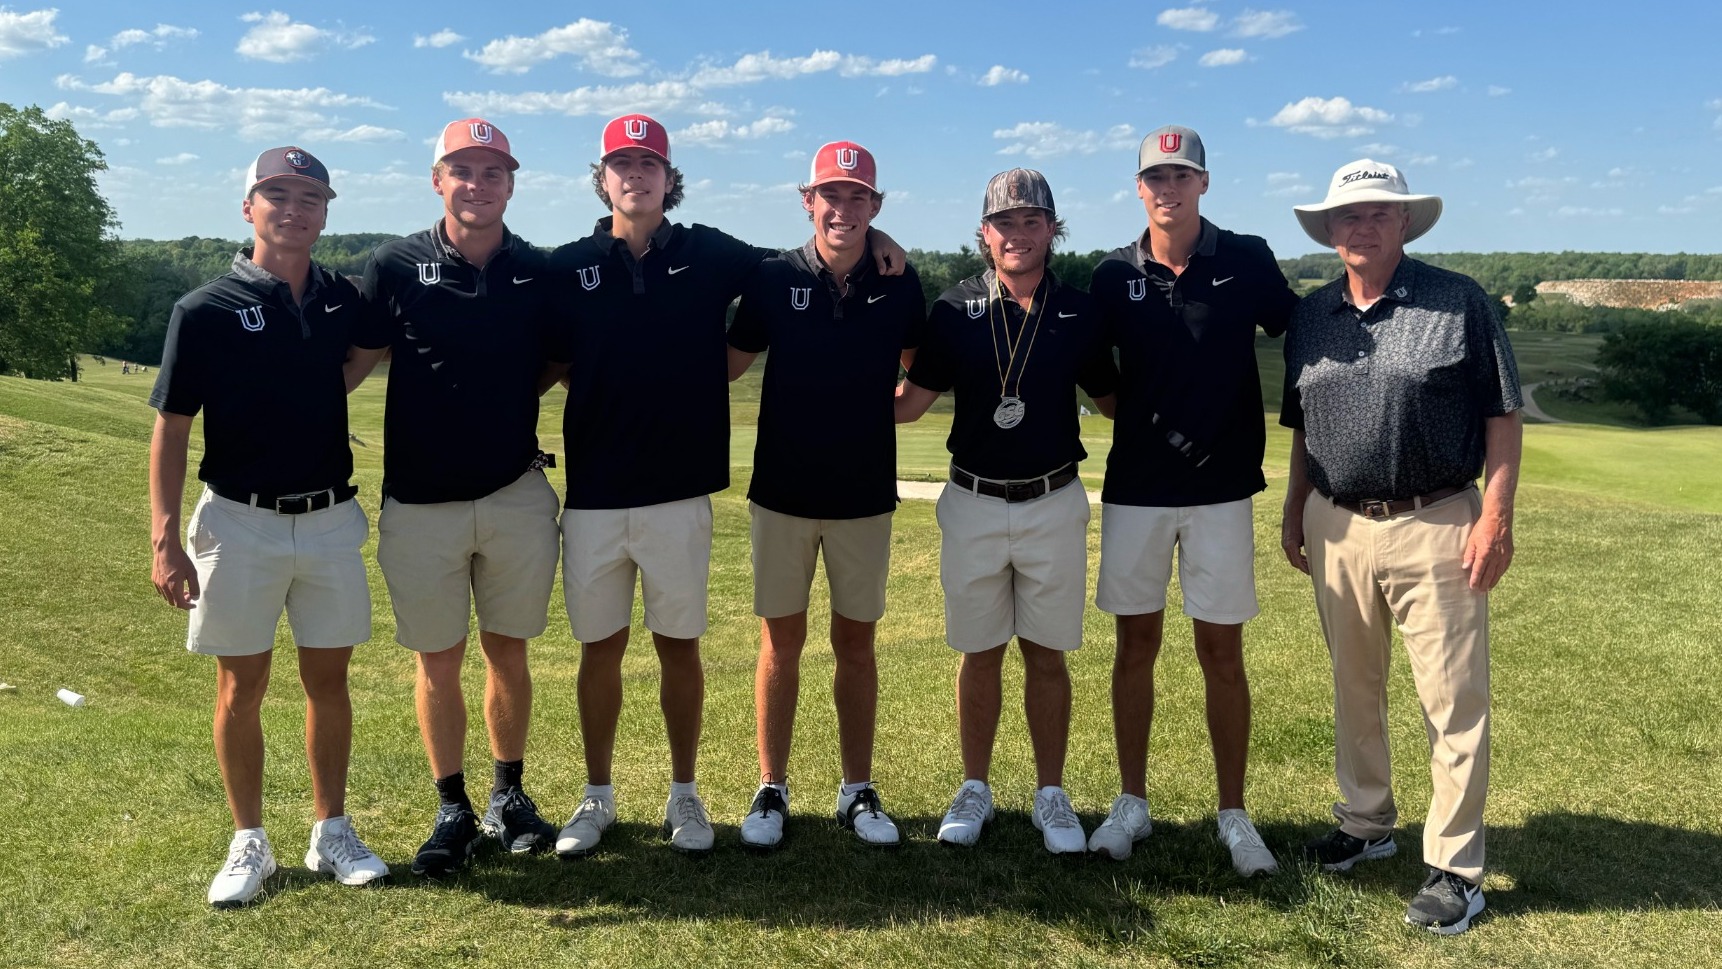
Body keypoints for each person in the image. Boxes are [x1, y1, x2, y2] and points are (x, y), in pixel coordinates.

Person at [545, 115, 905, 856]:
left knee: (685, 648)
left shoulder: (714, 252)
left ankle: (689, 794)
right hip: (596, 491)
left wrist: (880, 245)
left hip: (684, 490)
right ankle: (599, 795)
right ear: (603, 176)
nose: (636, 175)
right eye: (623, 163)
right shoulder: (568, 263)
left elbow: (798, 271)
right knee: (599, 650)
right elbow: (539, 352)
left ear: (668, 179)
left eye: (650, 164)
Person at [1280, 159, 1522, 934]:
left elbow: (1503, 414)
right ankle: (1365, 822)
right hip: (1336, 521)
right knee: (1355, 684)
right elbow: (1301, 424)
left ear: (1405, 223)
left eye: (1380, 213)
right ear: (1330, 230)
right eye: (1348, 216)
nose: (1362, 226)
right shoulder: (1313, 315)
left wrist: (1497, 517)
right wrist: (1296, 506)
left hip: (1438, 518)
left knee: (1451, 699)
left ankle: (1455, 866)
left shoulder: (1459, 301)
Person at [148, 147, 387, 908]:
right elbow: (173, 429)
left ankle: (331, 830)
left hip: (327, 518)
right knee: (240, 685)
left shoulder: (342, 298)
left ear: (326, 212)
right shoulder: (205, 308)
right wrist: (163, 539)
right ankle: (249, 837)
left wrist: (328, 383)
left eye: (310, 196)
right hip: (238, 520)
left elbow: (366, 351)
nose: (293, 207)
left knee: (329, 680)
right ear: (248, 207)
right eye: (276, 193)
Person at [344, 119, 567, 877]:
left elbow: (558, 361)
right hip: (419, 501)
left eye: (492, 171)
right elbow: (356, 362)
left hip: (513, 494)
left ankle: (508, 794)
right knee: (437, 659)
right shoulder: (395, 263)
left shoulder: (538, 269)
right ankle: (452, 807)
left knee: (509, 650)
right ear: (437, 179)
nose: (477, 184)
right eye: (462, 170)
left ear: (512, 182)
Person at [1087, 126, 1296, 873]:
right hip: (1137, 488)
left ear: (1204, 182)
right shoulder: (1114, 274)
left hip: (1221, 490)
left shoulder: (1245, 257)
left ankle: (1233, 812)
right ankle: (1131, 802)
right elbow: (1091, 365)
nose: (1167, 189)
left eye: (1181, 176)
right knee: (1134, 646)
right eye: (1154, 178)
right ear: (1138, 188)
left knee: (1222, 652)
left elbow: (1298, 326)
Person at [896, 168, 1117, 854]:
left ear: (1053, 228)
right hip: (973, 499)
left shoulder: (1079, 310)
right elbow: (908, 405)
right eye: (1004, 223)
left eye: (1031, 221)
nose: (1017, 234)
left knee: (1047, 655)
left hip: (1053, 497)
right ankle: (975, 786)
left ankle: (1051, 794)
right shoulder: (953, 308)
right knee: (978, 651)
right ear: (984, 233)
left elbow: (1115, 400)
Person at [725, 142, 926, 850]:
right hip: (781, 490)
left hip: (864, 494)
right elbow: (730, 362)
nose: (843, 209)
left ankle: (855, 788)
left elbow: (919, 372)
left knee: (856, 645)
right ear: (807, 199)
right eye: (830, 196)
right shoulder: (774, 276)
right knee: (780, 644)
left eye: (857, 197)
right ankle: (771, 787)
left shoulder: (901, 284)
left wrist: (879, 414)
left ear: (876, 204)